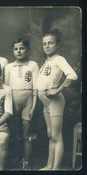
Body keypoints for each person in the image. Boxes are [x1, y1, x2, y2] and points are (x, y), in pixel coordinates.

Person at [36, 29, 78, 170]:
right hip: (45, 103)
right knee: (50, 135)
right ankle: (49, 166)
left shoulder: (59, 59)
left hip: (55, 102)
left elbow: (72, 75)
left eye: (50, 43)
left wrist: (57, 90)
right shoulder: (47, 61)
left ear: (57, 45)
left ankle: (56, 168)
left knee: (56, 135)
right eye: (44, 43)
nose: (47, 46)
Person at [4, 38, 39, 169]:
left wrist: (33, 107)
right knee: (13, 132)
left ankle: (26, 161)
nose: (18, 51)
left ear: (28, 50)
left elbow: (35, 87)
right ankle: (15, 159)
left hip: (28, 101)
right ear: (13, 51)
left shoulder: (33, 65)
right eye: (16, 49)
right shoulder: (9, 67)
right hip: (12, 101)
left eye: (22, 48)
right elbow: (6, 88)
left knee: (26, 133)